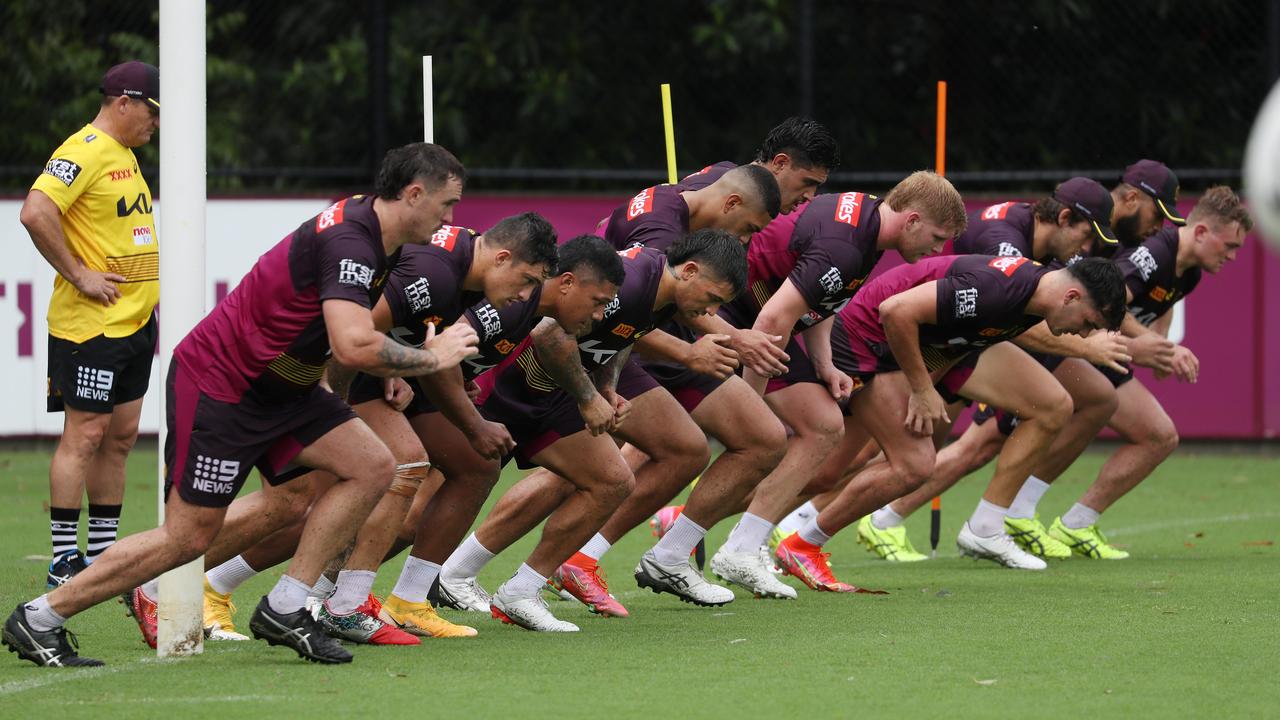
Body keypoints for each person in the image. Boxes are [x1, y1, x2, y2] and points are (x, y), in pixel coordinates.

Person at [2, 143, 478, 667]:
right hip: (223, 385)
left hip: (286, 387)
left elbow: (340, 341)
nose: (449, 219)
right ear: (413, 194)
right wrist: (427, 359)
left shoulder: (377, 233)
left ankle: (286, 606)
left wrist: (391, 369)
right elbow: (352, 344)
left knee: (371, 465)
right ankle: (40, 617)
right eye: (446, 204)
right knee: (186, 537)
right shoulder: (352, 242)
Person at [193, 214, 557, 646]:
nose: (527, 294)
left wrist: (396, 364)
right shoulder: (436, 272)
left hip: (334, 369)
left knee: (456, 465)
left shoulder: (460, 273)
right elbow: (350, 338)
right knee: (328, 492)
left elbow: (385, 333)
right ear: (501, 257)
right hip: (301, 369)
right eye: (529, 280)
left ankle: (371, 601)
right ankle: (201, 584)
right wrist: (334, 410)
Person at [438, 230, 748, 631]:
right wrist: (588, 398)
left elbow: (622, 337)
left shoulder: (660, 297)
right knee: (431, 489)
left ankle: (518, 590)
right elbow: (548, 331)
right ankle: (351, 594)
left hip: (553, 390)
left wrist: (607, 388)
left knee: (611, 480)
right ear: (690, 271)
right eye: (713, 298)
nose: (712, 312)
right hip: (511, 380)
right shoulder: (636, 282)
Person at [774, 254, 1127, 584]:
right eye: (1087, 323)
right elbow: (896, 310)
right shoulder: (998, 290)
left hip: (908, 347)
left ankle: (763, 539)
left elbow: (963, 341)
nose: (1082, 335)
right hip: (867, 338)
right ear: (1071, 296)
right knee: (911, 464)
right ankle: (795, 544)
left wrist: (930, 389)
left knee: (829, 470)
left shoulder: (1036, 304)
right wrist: (921, 388)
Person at [1042, 186, 1249, 557]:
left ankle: (1074, 524)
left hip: (1106, 357)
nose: (1232, 257)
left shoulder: (1190, 271)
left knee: (1159, 435)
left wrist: (1162, 342)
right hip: (1077, 348)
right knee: (985, 442)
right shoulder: (1154, 254)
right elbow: (1106, 302)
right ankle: (1001, 516)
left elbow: (1166, 304)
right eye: (1229, 246)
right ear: (1201, 233)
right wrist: (1153, 348)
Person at [21, 61, 160, 588]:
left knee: (121, 438)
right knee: (86, 434)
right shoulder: (82, 149)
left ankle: (101, 554)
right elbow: (36, 212)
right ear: (123, 102)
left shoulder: (122, 153)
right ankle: (63, 559)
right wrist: (79, 274)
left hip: (134, 323)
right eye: (150, 111)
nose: (155, 123)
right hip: (91, 327)